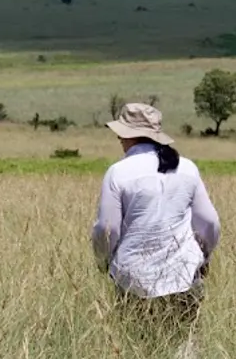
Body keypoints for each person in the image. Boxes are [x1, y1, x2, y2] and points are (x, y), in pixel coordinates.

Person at [92, 102, 220, 322]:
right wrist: (203, 257)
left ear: (128, 136)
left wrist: (103, 261)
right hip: (184, 277)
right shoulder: (186, 167)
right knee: (185, 346)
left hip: (133, 281)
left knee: (136, 347)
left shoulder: (118, 172)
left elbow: (107, 228)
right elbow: (209, 223)